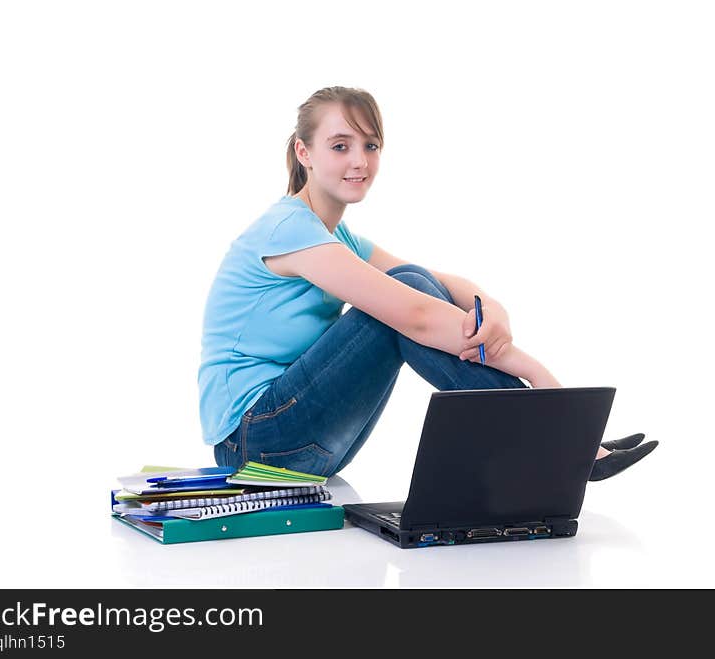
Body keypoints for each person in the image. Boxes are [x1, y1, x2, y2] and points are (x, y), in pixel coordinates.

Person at [198, 86, 657, 481]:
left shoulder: (335, 237)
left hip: (295, 440)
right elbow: (415, 315)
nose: (359, 161)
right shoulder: (289, 231)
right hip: (253, 443)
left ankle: (556, 434)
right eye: (340, 146)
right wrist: (536, 373)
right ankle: (558, 433)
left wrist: (490, 305)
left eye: (370, 146)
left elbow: (432, 281)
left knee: (411, 280)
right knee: (400, 301)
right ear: (304, 153)